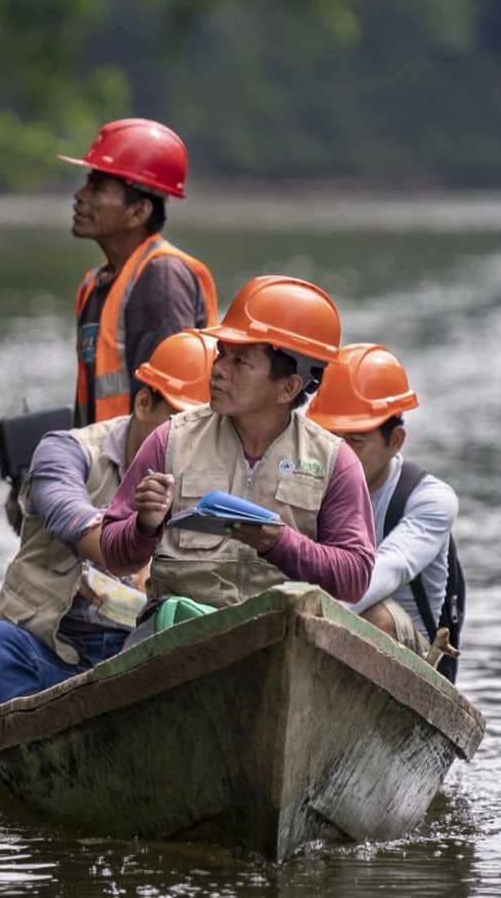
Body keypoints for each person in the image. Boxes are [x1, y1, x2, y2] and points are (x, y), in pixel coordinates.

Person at [0, 330, 215, 706]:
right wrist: (143, 535)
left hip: (142, 661)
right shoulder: (65, 453)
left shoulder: (214, 477)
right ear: (144, 403)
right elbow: (83, 528)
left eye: (205, 430)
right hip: (56, 654)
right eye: (181, 425)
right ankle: (37, 742)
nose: (191, 443)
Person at [100, 276, 376, 611]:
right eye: (222, 353)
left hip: (284, 635)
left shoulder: (335, 462)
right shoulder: (170, 439)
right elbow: (113, 556)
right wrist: (143, 525)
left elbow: (356, 578)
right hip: (175, 630)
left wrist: (280, 543)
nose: (217, 369)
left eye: (240, 361)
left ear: (288, 388)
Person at [305, 344, 461, 668]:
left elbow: (390, 567)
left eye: (355, 440)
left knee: (372, 616)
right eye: (330, 437)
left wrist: (305, 610)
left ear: (395, 441)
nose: (339, 453)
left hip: (411, 657)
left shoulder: (431, 500)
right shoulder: (306, 481)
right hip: (320, 628)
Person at [60, 118, 218, 428]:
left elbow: (170, 413)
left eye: (98, 187)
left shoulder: (163, 276)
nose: (80, 195)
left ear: (138, 212)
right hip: (106, 467)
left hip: (142, 471)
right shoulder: (93, 285)